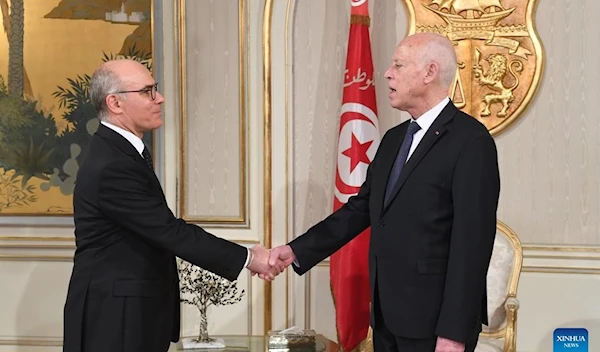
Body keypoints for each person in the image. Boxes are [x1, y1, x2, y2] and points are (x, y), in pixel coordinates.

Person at [268, 33, 501, 352]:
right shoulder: (394, 139)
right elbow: (360, 210)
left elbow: (472, 246)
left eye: (398, 65)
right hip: (386, 316)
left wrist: (454, 332)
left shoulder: (471, 141)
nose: (388, 73)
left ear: (429, 72)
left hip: (434, 326)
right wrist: (297, 250)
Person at [62, 59, 282, 352]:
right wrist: (248, 258)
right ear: (114, 103)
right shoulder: (112, 164)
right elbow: (168, 231)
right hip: (116, 320)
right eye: (148, 91)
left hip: (129, 313)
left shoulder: (120, 152)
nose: (160, 98)